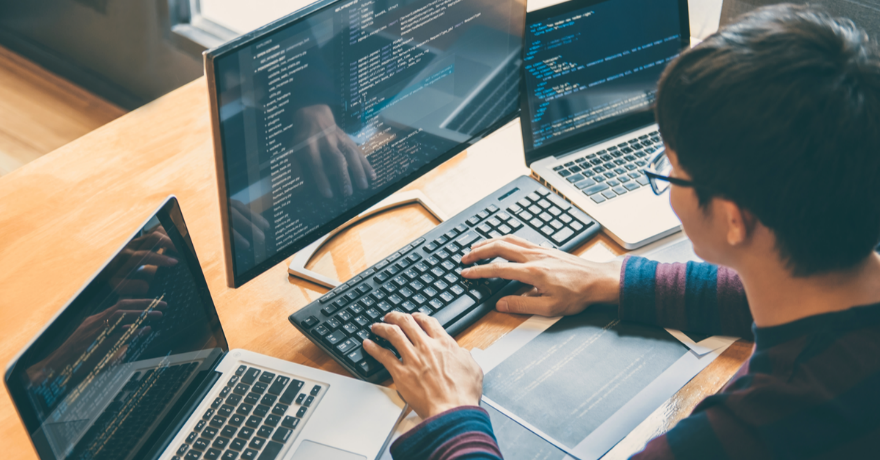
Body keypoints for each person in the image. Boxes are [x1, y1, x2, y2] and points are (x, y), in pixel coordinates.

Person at [362, 5, 880, 458]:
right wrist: (615, 279)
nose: (667, 183)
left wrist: (450, 415)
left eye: (670, 168)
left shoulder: (753, 430)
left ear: (732, 219)